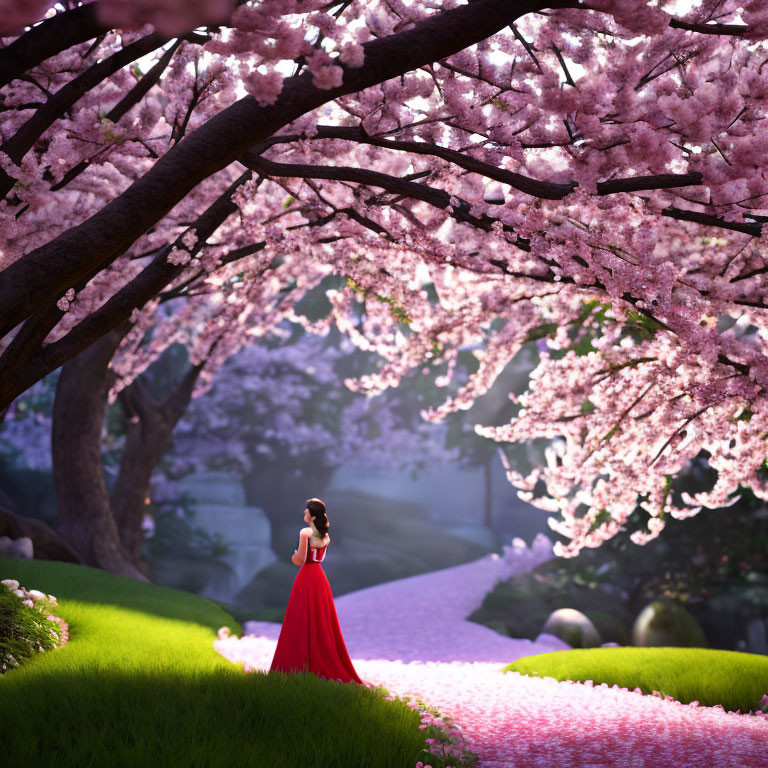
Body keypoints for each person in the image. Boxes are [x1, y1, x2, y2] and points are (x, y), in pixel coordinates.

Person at [269, 498, 363, 684]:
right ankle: (319, 661)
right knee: (321, 619)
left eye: (306, 512)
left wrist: (293, 554)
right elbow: (319, 558)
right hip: (320, 578)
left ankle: (296, 664)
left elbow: (300, 560)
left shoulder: (305, 532)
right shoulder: (325, 535)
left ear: (311, 514)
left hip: (306, 577)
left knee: (299, 618)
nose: (304, 514)